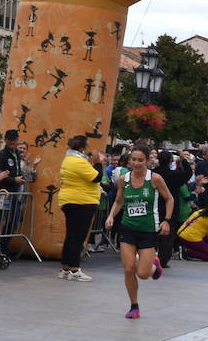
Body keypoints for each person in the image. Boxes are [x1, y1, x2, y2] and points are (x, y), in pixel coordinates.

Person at [104, 144, 174, 319]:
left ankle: (153, 265)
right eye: (133, 160)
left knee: (142, 274)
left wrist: (167, 221)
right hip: (128, 228)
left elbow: (169, 199)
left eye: (140, 160)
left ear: (148, 160)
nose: (136, 163)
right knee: (128, 269)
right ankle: (134, 306)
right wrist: (111, 216)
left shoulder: (155, 179)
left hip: (148, 230)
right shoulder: (123, 179)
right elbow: (119, 201)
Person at [56, 135, 103, 281]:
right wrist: (98, 162)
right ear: (82, 147)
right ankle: (75, 269)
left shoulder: (69, 159)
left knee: (71, 235)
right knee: (78, 236)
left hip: (71, 200)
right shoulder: (78, 162)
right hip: (81, 201)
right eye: (86, 146)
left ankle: (65, 268)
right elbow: (97, 177)